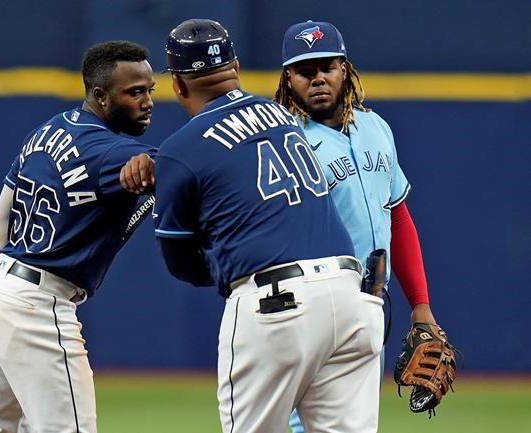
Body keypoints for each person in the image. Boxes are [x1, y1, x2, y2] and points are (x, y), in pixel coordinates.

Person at [152, 18, 384, 433]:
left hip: (277, 305)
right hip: (352, 297)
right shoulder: (281, 117)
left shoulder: (179, 151)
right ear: (236, 67)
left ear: (178, 85)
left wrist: (225, 263)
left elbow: (181, 261)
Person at [0, 40, 157, 433]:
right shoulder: (108, 150)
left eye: (149, 90)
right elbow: (177, 168)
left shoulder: (48, 130)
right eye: (135, 92)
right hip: (36, 299)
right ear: (101, 96)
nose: (148, 101)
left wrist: (8, 282)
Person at [273, 20, 438, 433]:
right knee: (301, 424)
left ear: (344, 69)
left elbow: (396, 216)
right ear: (287, 79)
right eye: (304, 71)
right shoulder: (281, 141)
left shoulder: (376, 128)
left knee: (357, 424)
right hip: (311, 304)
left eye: (326, 66)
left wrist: (420, 305)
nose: (317, 79)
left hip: (370, 302)